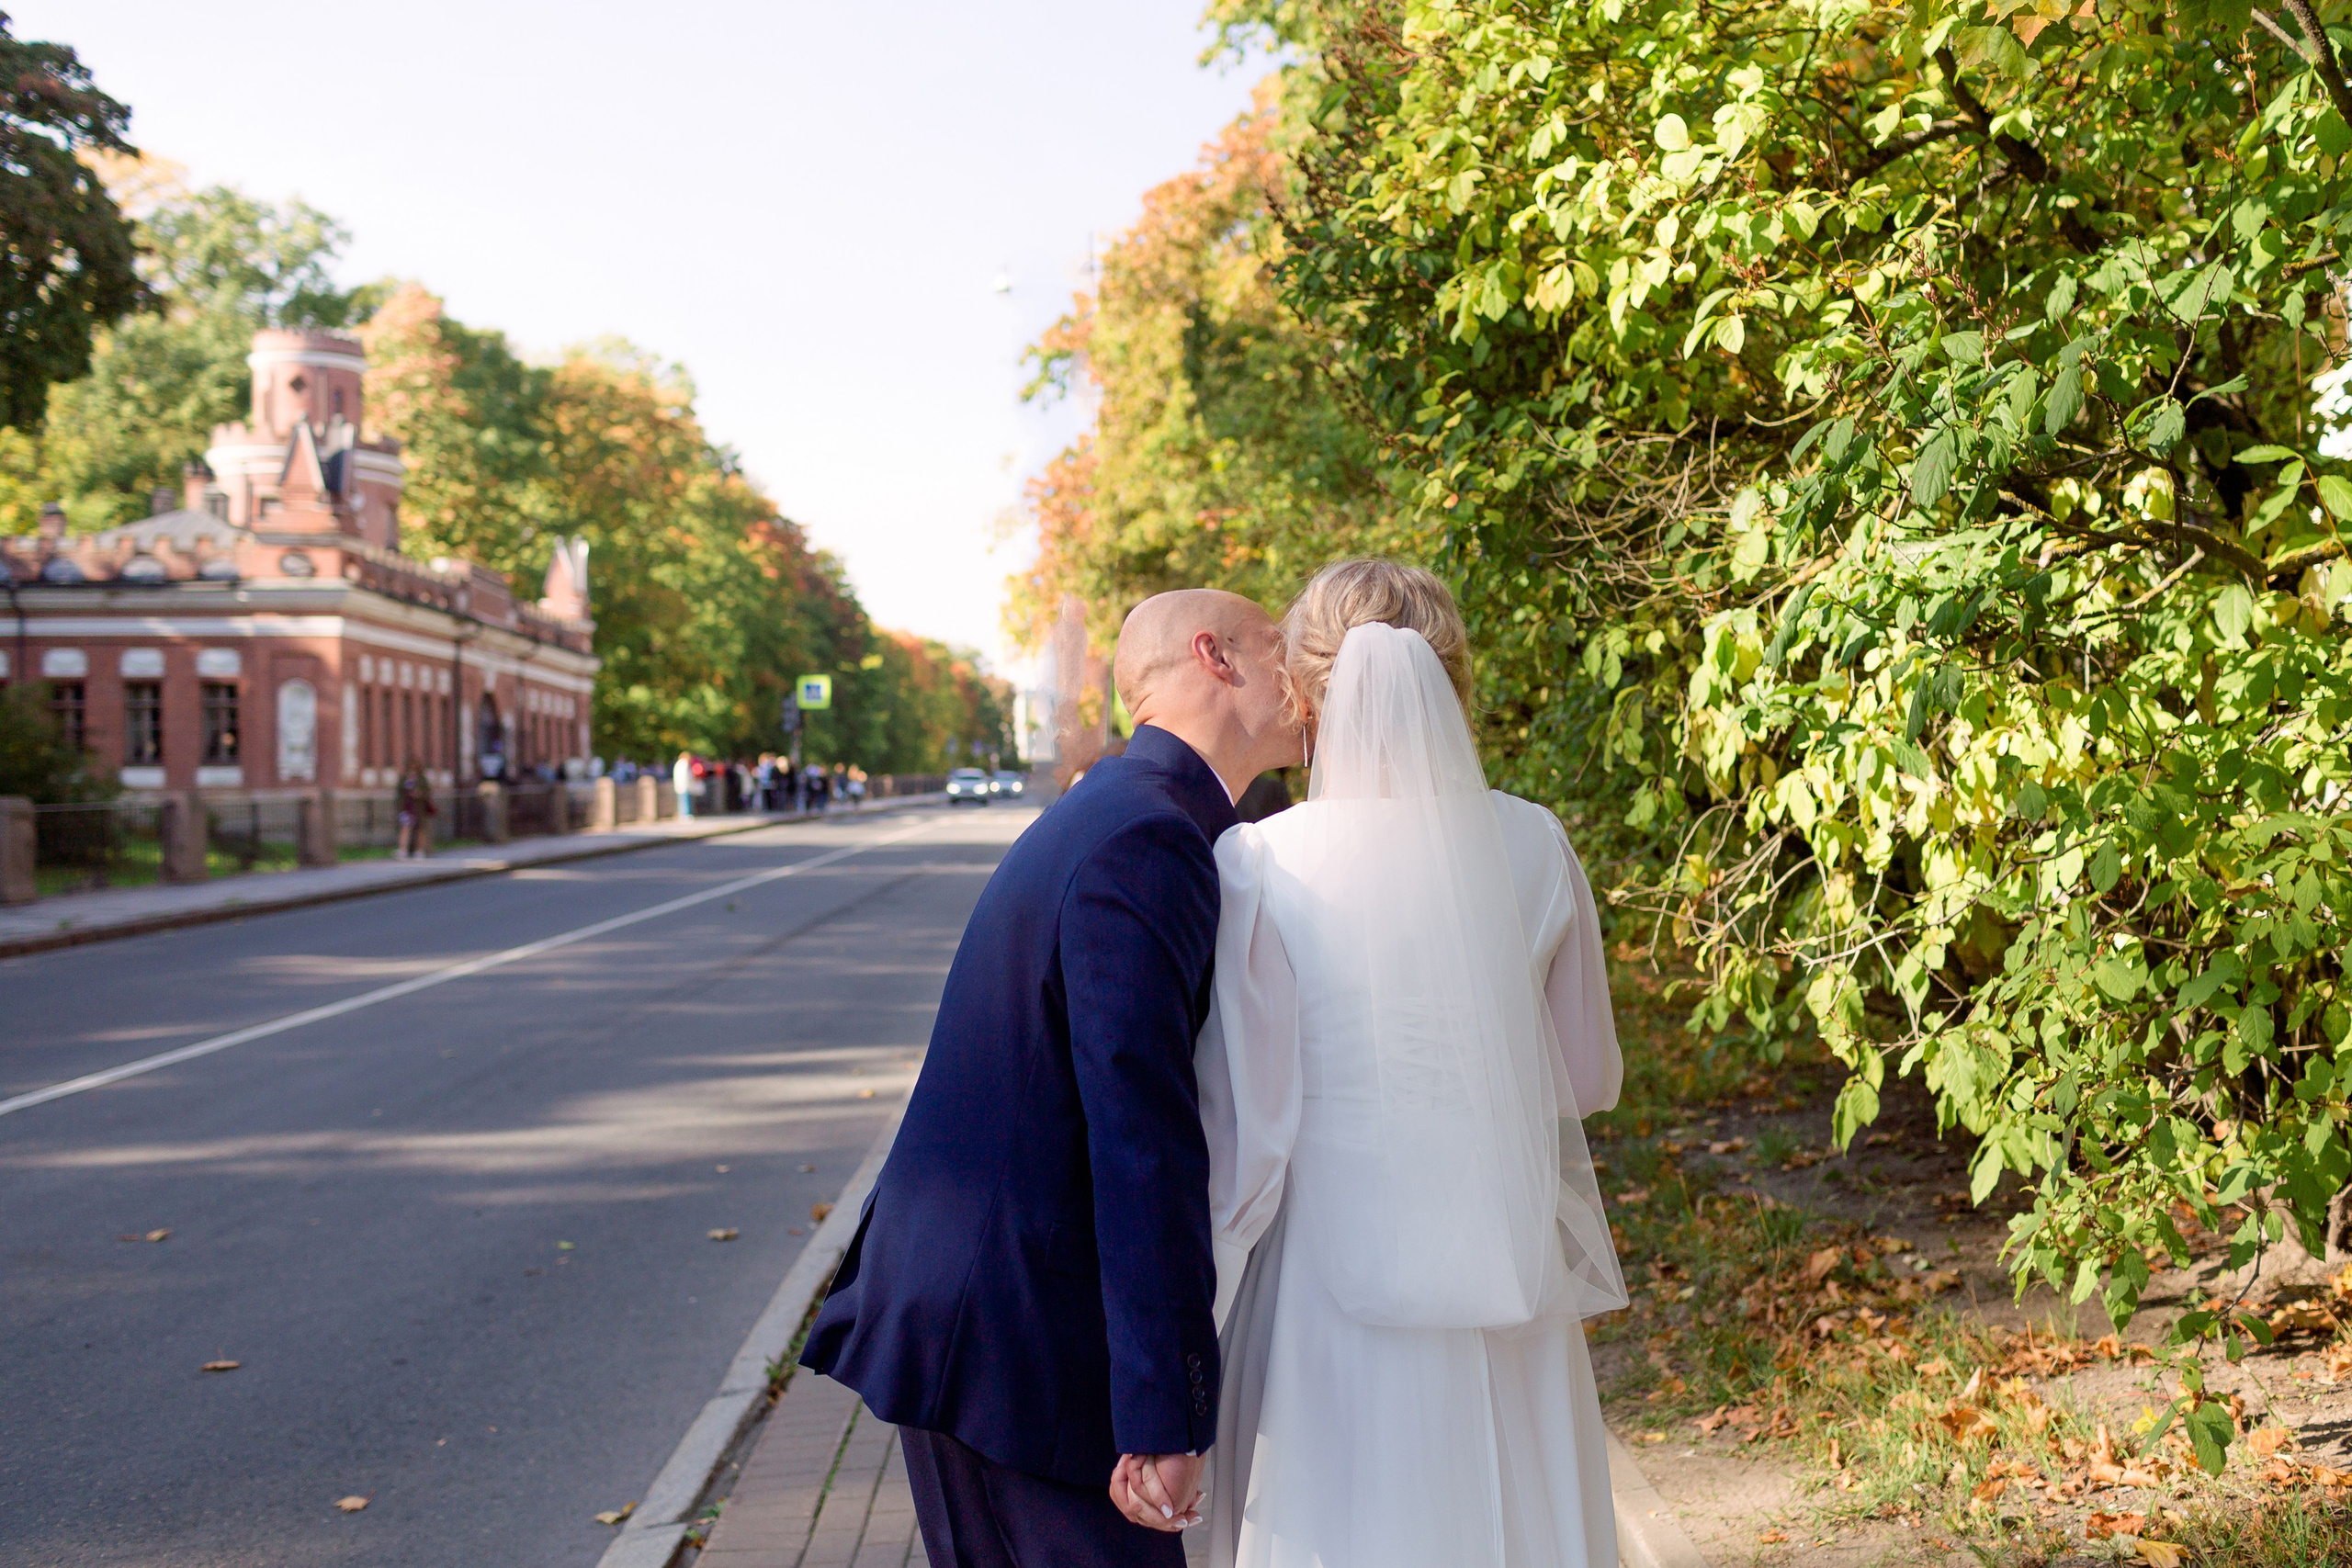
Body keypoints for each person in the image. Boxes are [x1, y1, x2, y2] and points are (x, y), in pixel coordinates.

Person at [801, 589, 1300, 1567]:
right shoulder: (1151, 836)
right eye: (1280, 644)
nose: (1307, 671)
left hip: (984, 1312)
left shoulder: (1122, 807)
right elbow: (1139, 1139)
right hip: (1016, 1343)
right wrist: (1165, 1415)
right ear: (1217, 657)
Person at [1196, 560, 1627, 1568]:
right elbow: (1588, 1079)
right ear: (1452, 679)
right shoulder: (1535, 839)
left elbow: (1249, 1127)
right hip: (1503, 1268)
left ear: (1306, 694)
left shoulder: (1259, 859)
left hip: (1323, 1284)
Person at [394, 761, 435, 859]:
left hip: (419, 809)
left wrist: (419, 794)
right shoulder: (404, 778)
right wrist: (400, 805)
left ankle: (420, 850)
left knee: (420, 829)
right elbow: (399, 793)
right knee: (405, 828)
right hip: (407, 808)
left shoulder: (422, 779)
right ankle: (403, 849)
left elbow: (427, 793)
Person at [673, 750, 698, 818]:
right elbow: (687, 775)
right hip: (684, 785)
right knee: (685, 801)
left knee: (682, 801)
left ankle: (683, 814)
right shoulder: (684, 763)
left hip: (680, 785)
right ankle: (685, 814)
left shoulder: (679, 763)